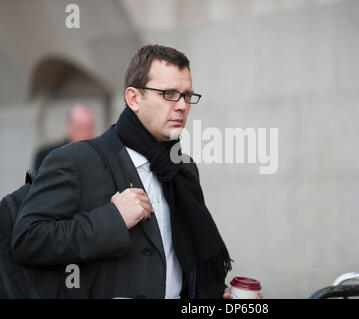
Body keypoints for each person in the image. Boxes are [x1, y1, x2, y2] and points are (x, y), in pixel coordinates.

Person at [12, 45, 232, 299]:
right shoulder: (75, 160)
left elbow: (184, 258)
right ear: (134, 98)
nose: (182, 106)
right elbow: (27, 240)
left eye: (187, 95)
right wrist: (112, 220)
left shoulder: (184, 169)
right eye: (169, 94)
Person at [33, 104, 95, 170]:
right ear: (69, 127)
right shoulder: (47, 156)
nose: (86, 133)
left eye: (89, 128)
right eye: (80, 128)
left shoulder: (97, 157)